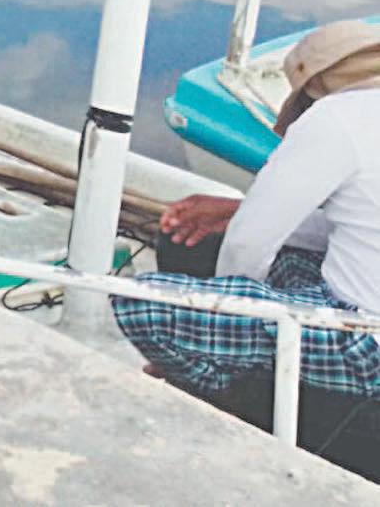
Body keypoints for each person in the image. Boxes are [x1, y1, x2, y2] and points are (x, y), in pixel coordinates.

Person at [112, 20, 380, 399]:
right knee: (288, 264)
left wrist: (216, 335)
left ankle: (222, 391)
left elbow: (247, 244)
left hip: (364, 341)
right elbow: (348, 227)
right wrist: (239, 210)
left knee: (139, 303)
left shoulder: (337, 116)